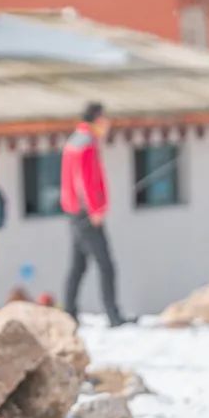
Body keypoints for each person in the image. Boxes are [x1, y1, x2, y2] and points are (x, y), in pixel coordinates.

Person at [60, 102, 131, 327]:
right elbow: (86, 181)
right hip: (86, 214)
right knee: (106, 265)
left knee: (78, 266)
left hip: (73, 212)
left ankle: (69, 311)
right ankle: (113, 314)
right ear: (98, 119)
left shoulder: (74, 140)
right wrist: (95, 209)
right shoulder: (87, 144)